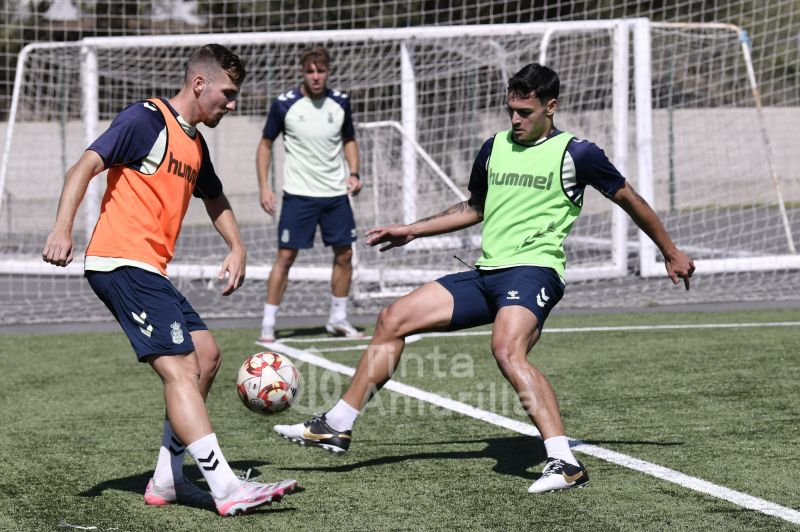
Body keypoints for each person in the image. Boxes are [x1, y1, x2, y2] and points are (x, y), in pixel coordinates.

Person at [273, 63, 695, 494]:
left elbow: (631, 199)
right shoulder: (494, 147)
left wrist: (670, 251)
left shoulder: (578, 154)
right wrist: (411, 230)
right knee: (392, 318)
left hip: (536, 270)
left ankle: (565, 462)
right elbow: (474, 208)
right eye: (510, 109)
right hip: (486, 271)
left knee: (506, 349)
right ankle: (337, 425)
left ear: (551, 107)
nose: (515, 119)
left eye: (525, 112)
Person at [42, 44, 297, 516]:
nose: (232, 102)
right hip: (120, 262)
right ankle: (224, 487)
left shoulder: (194, 144)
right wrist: (61, 228)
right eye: (228, 92)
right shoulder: (146, 119)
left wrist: (237, 246)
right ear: (199, 84)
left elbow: (215, 198)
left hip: (149, 269)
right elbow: (86, 165)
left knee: (206, 355)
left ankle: (167, 479)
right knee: (181, 368)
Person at [256, 45, 363, 344]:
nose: (316, 77)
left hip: (335, 195)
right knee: (286, 257)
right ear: (302, 73)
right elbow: (265, 145)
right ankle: (268, 323)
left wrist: (354, 173)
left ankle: (338, 319)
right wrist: (264, 186)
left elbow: (350, 140)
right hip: (298, 195)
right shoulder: (284, 104)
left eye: (321, 71)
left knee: (345, 255)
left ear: (328, 72)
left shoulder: (341, 102)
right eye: (310, 71)